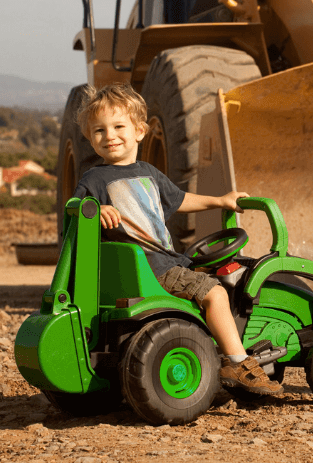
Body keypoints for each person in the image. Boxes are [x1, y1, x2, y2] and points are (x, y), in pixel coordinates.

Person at [72, 83, 282, 395]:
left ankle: (219, 342)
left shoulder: (149, 173)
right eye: (99, 131)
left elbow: (180, 200)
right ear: (90, 138)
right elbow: (72, 210)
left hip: (168, 262)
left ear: (140, 131)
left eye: (118, 126)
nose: (110, 136)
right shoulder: (93, 180)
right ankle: (237, 361)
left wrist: (221, 200)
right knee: (216, 294)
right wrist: (93, 210)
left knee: (224, 278)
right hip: (156, 268)